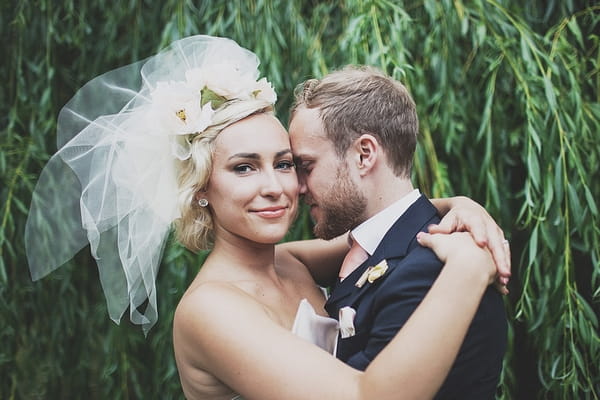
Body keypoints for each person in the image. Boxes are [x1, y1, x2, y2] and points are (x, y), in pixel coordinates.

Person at [24, 35, 507, 400]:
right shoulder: (211, 311)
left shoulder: (290, 262)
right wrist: (467, 269)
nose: (277, 186)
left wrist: (460, 206)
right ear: (201, 192)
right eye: (243, 168)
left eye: (287, 163)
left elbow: (394, 226)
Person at [287, 65, 508, 399]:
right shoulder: (379, 244)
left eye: (306, 166)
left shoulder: (429, 272)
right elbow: (277, 259)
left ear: (364, 155)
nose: (296, 186)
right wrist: (456, 202)